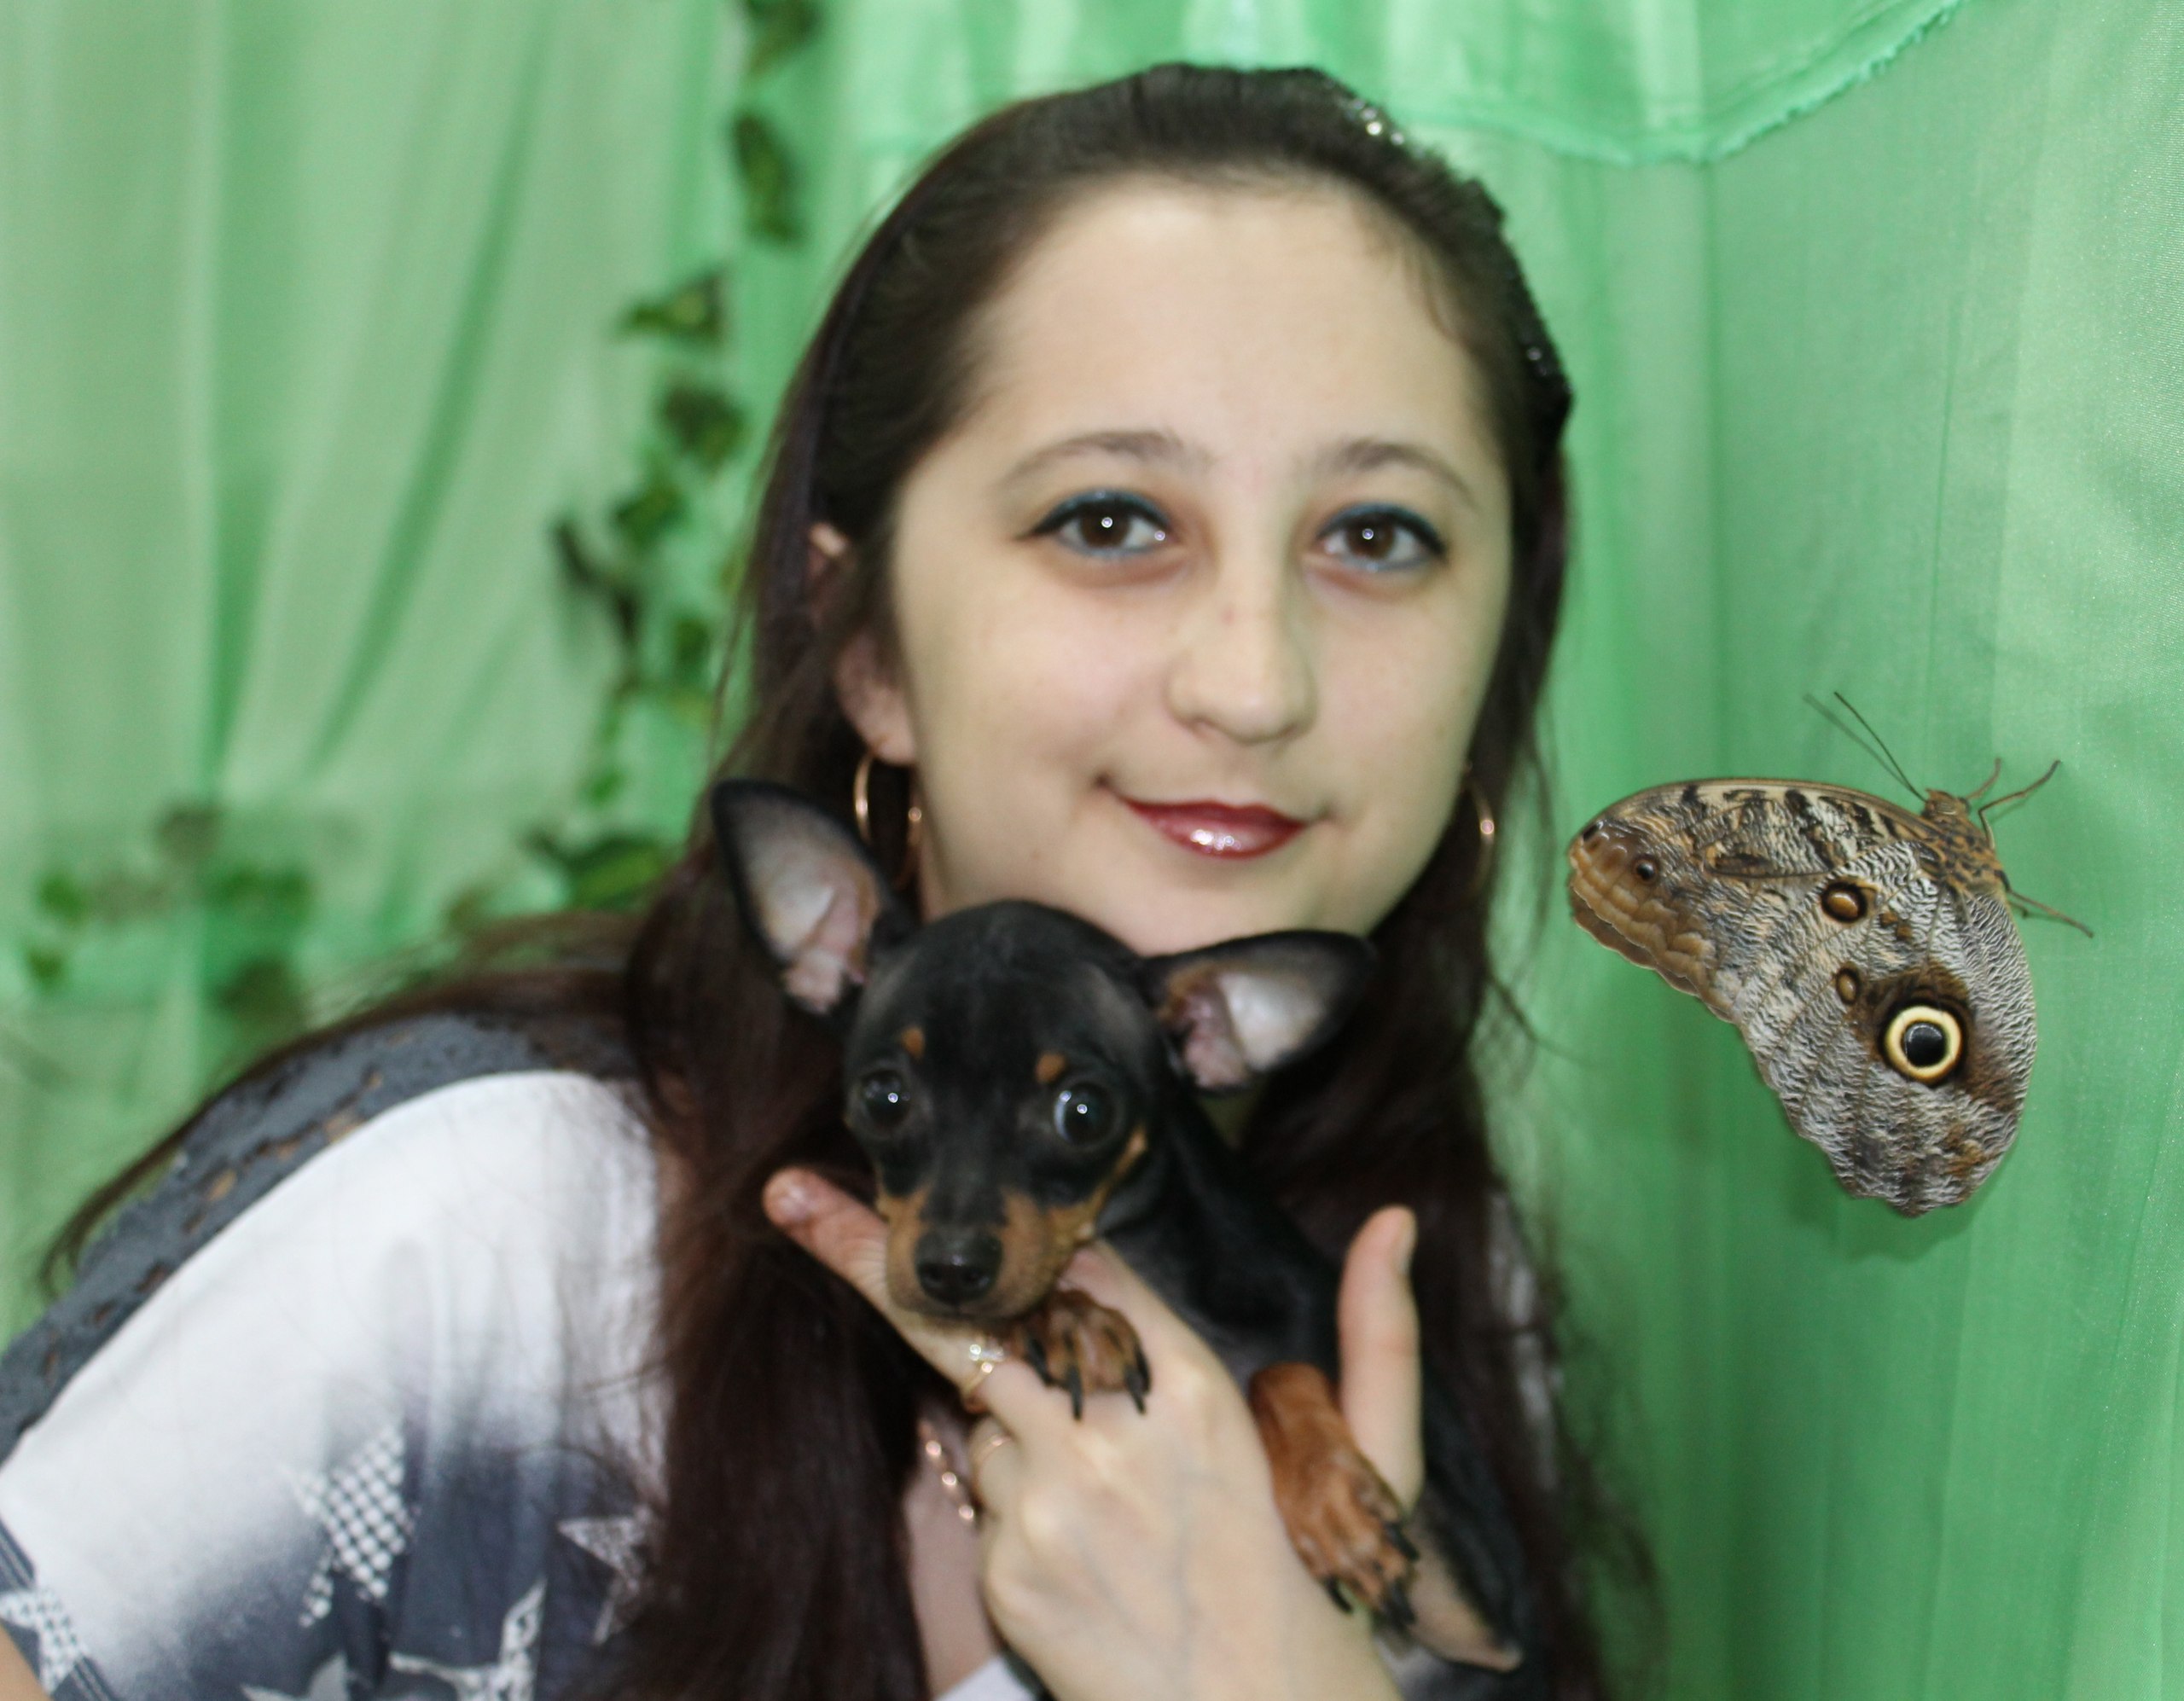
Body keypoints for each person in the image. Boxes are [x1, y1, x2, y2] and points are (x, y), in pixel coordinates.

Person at [0, 62, 1609, 1701]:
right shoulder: (478, 1245)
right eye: (1111, 519)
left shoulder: (1415, 1302)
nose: (1254, 680)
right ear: (872, 651)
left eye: (1378, 535)